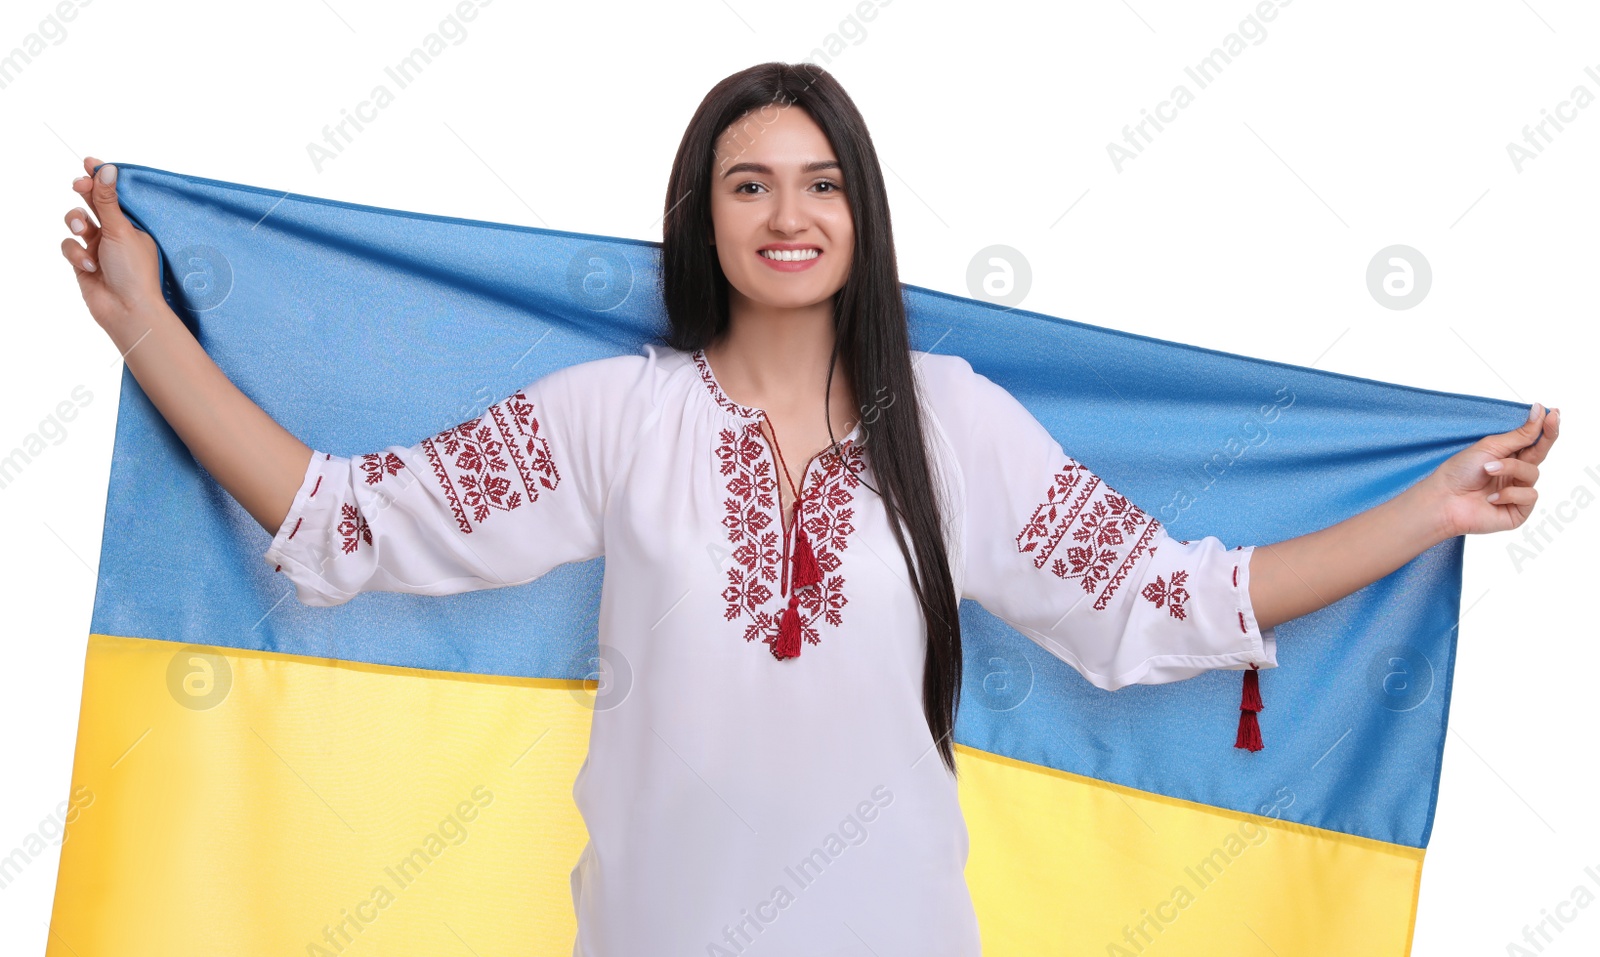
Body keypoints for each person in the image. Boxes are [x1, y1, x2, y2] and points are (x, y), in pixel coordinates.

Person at [59, 62, 1559, 956]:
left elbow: (1167, 607)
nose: (789, 215)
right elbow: (344, 522)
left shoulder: (954, 423)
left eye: (823, 183)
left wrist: (1430, 506)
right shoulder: (617, 416)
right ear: (701, 214)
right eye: (751, 183)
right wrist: (147, 330)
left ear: (863, 214)